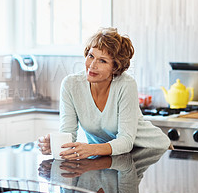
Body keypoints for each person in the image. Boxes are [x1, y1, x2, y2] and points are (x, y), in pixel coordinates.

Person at [38, 27, 171, 160]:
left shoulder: (125, 84)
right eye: (91, 56)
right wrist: (57, 145)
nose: (92, 65)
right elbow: (67, 133)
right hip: (110, 157)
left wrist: (91, 149)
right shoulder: (71, 85)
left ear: (115, 67)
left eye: (102, 61)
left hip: (152, 151)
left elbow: (126, 141)